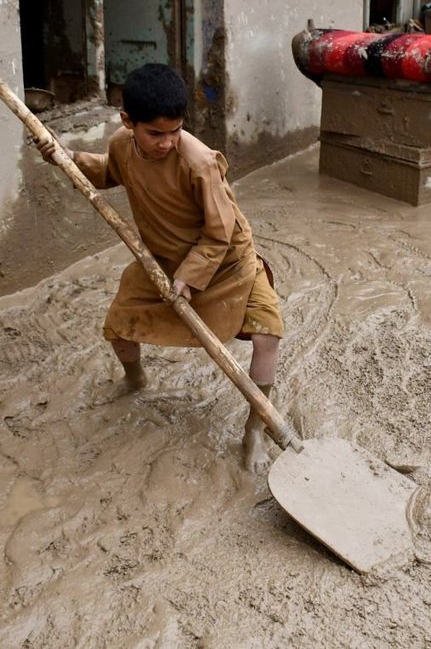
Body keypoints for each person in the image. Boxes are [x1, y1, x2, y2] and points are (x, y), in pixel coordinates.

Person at [36, 63, 284, 474]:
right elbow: (106, 172)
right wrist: (66, 158)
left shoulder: (200, 162)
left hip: (226, 264)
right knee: (118, 324)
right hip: (164, 264)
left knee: (268, 336)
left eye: (175, 131)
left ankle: (255, 429)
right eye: (155, 134)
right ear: (128, 121)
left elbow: (220, 234)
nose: (167, 143)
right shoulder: (120, 145)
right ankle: (134, 380)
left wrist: (189, 278)